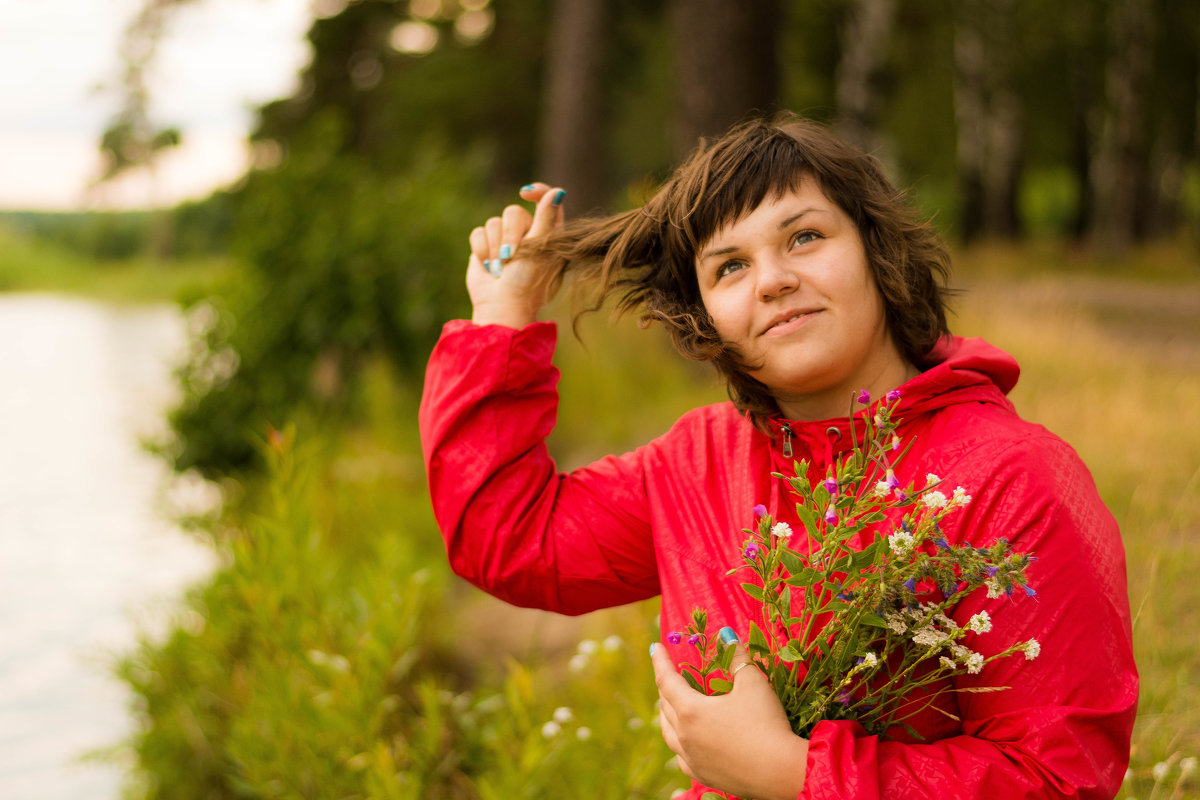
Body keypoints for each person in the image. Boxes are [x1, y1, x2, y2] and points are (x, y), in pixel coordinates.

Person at [419, 114, 1138, 799]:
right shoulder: (697, 462)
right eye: (729, 267)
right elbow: (513, 541)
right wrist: (502, 319)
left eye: (803, 238)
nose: (771, 280)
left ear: (874, 247)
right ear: (704, 320)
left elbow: (1058, 779)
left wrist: (794, 773)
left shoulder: (1011, 477)